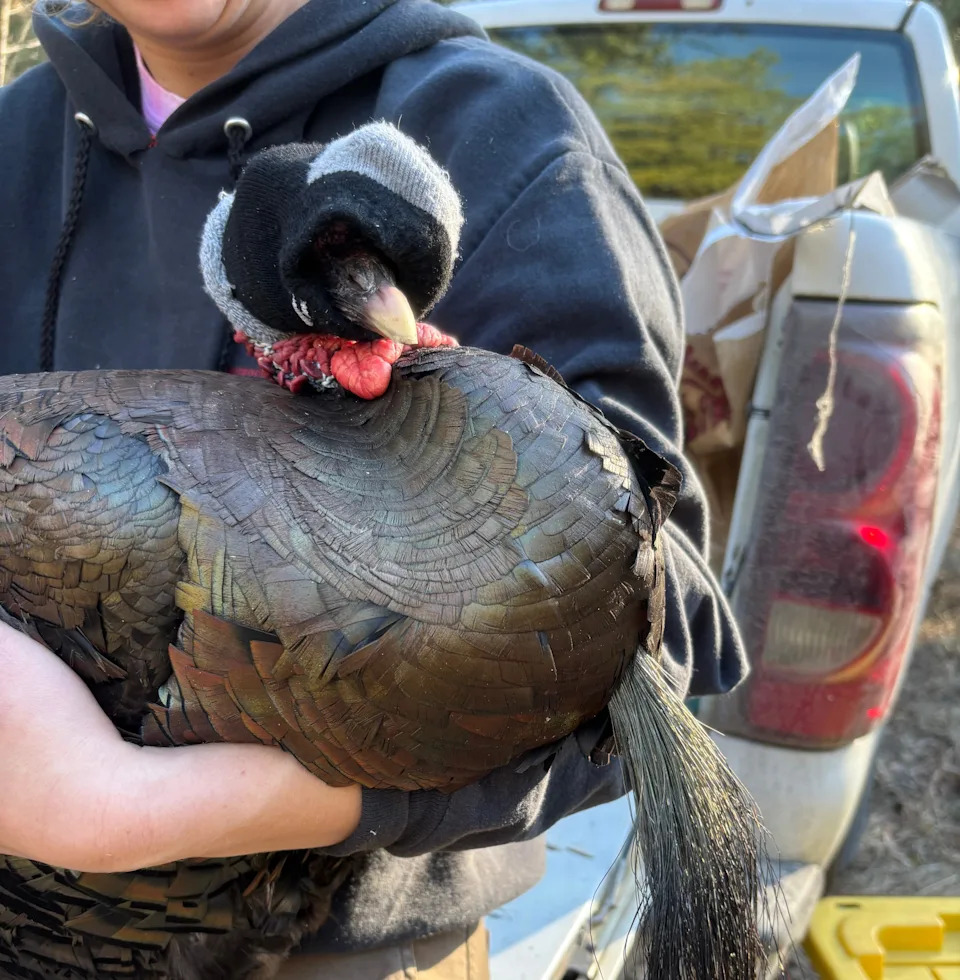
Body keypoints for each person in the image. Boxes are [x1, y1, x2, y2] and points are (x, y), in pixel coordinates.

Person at [0, 0, 747, 976]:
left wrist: (134, 810)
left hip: (357, 953)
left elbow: (661, 632)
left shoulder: (506, 131)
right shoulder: (20, 139)